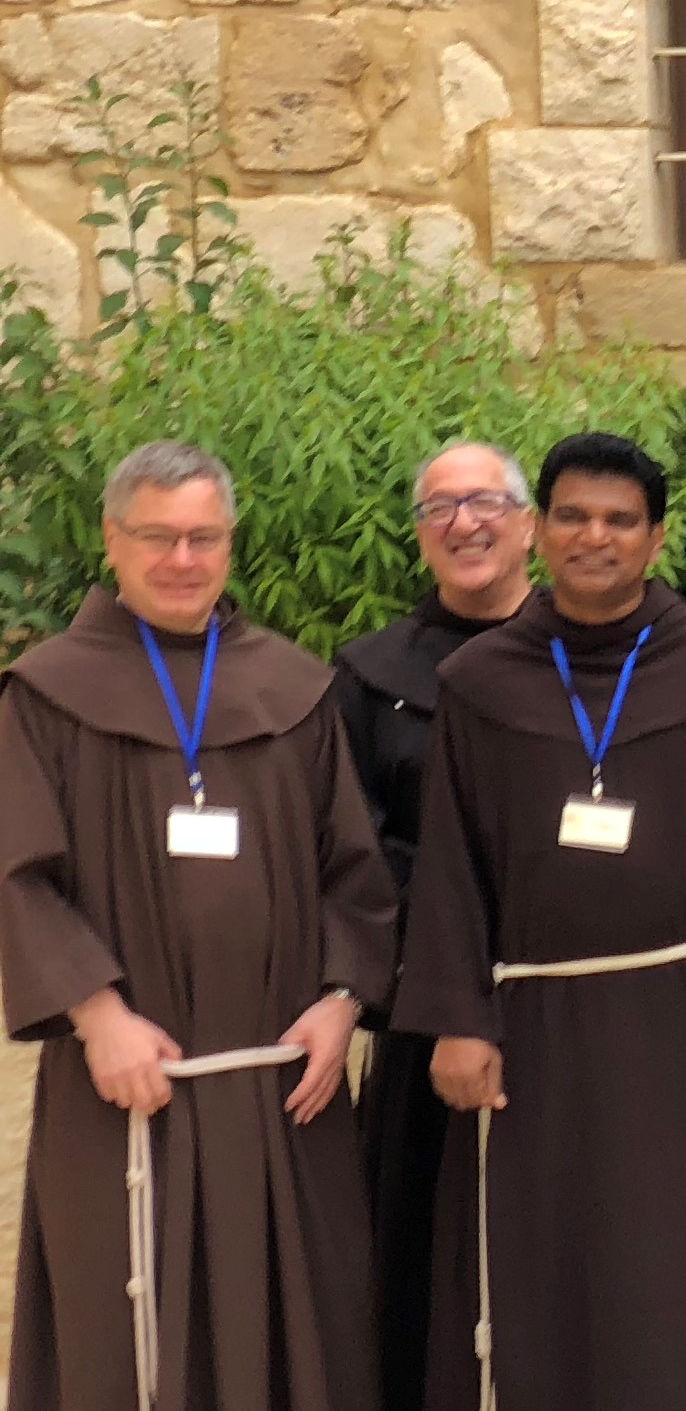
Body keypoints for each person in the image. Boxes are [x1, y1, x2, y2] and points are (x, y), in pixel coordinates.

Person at [394, 432, 686, 1411]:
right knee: (546, 1263)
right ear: (539, 531)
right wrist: (457, 1019)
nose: (596, 537)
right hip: (534, 1031)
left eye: (621, 520)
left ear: (657, 538)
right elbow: (450, 863)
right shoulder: (480, 679)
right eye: (575, 517)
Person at [1, 441, 401, 1411]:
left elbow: (356, 871)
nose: (183, 559)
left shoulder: (292, 689)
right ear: (112, 540)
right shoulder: (46, 694)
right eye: (158, 537)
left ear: (230, 542)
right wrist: (98, 1017)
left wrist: (343, 1003)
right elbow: (16, 874)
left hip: (281, 1083)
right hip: (127, 1083)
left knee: (299, 1330)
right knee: (124, 1336)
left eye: (204, 538)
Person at [325, 440, 537, 1411]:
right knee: (423, 1243)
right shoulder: (368, 676)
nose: (465, 523)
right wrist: (459, 931)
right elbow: (351, 842)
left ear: (528, 524)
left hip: (570, 997)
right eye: (440, 508)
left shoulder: (596, 654)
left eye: (486, 502)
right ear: (419, 536)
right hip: (428, 1004)